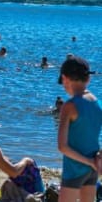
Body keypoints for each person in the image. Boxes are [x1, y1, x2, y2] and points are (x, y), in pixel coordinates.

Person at [57, 56, 102, 202]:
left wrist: (88, 161)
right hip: (93, 168)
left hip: (75, 168)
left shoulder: (69, 106)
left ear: (65, 79)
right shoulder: (97, 103)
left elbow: (62, 146)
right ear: (87, 79)